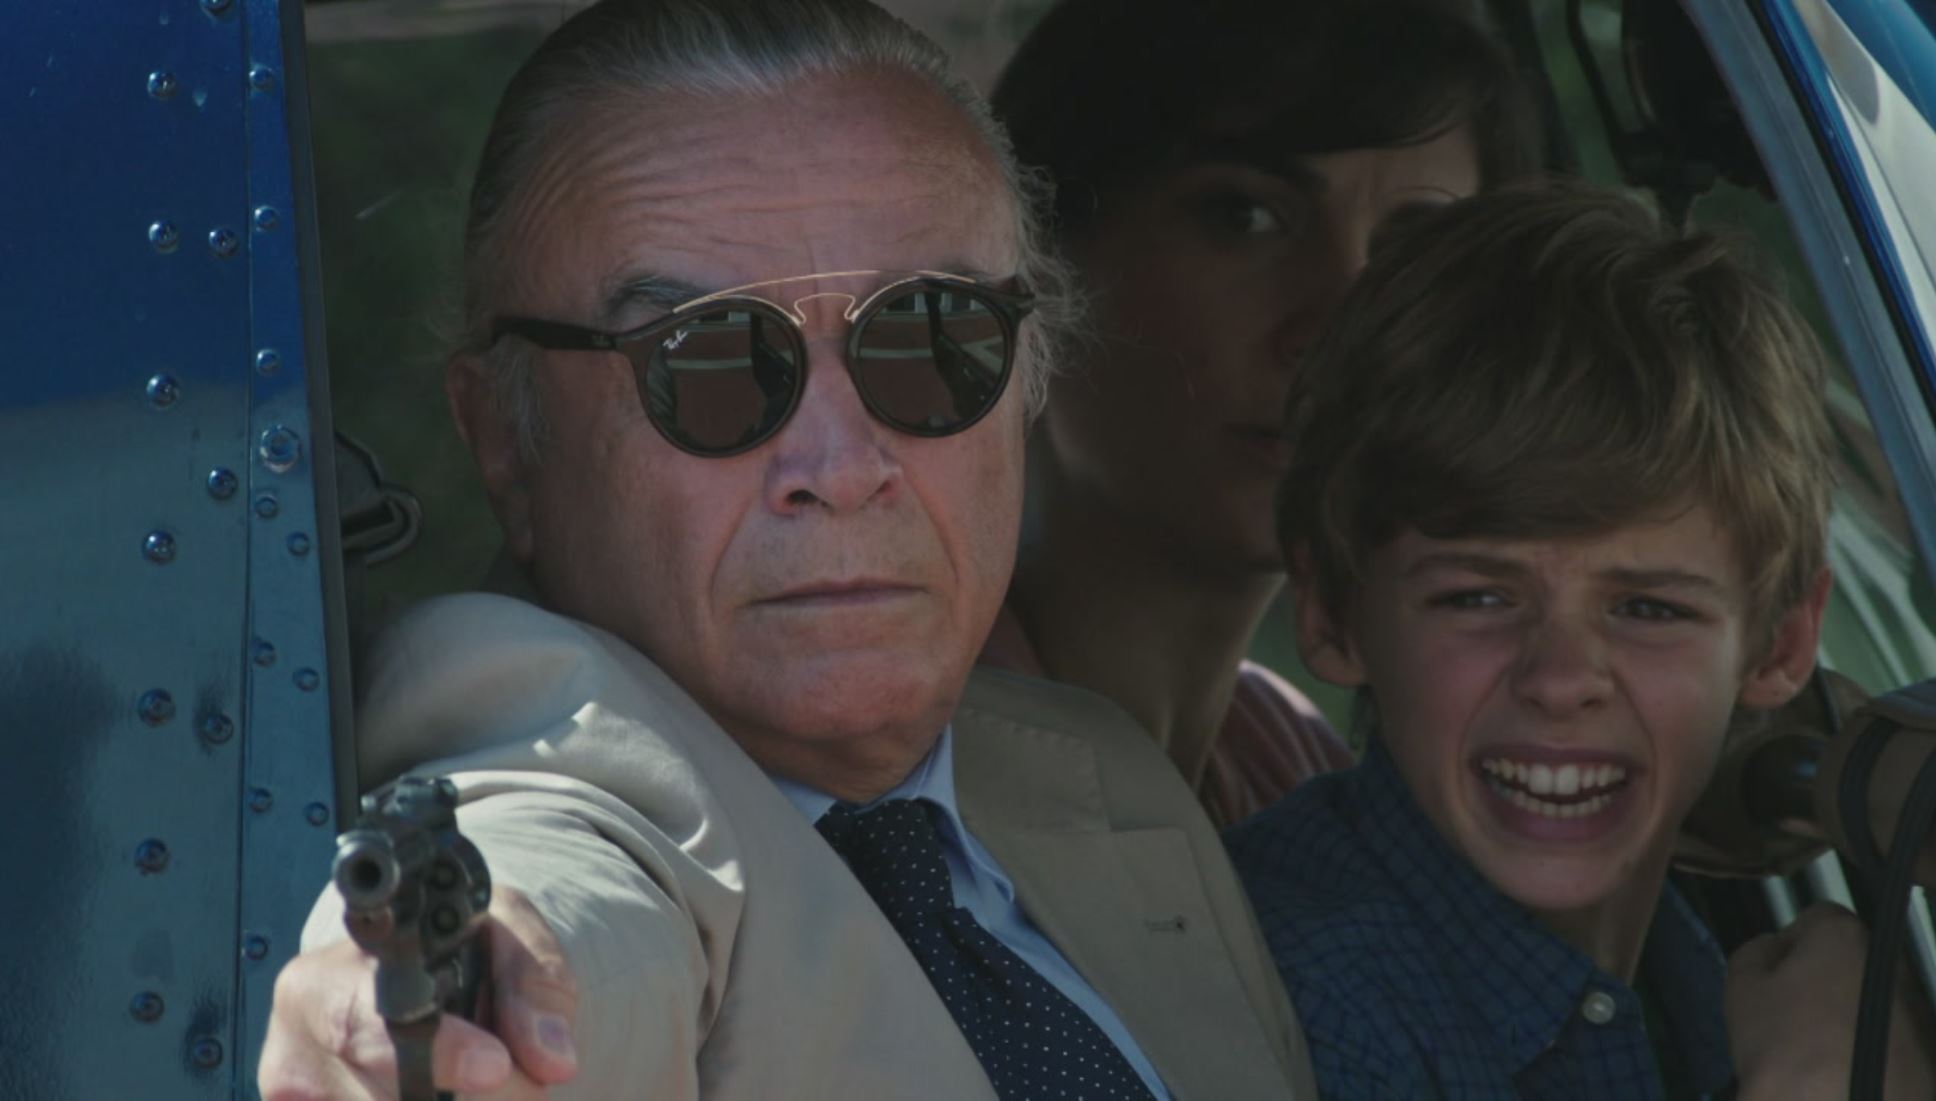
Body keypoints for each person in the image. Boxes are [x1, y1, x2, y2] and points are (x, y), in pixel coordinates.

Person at [256, 2, 1311, 1099]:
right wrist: (469, 1003)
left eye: (932, 340)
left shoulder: (1105, 777)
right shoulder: (525, 754)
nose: (844, 465)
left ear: (1026, 383)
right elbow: (557, 882)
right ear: (505, 441)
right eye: (711, 361)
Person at [1226, 182, 1936, 1098]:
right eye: (1478, 596)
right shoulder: (1291, 1010)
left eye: (1648, 610)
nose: (1561, 679)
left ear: (1780, 643)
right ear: (1330, 611)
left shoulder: (1682, 969)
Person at [982, 0, 1542, 826]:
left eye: (1415, 254)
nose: (1342, 327)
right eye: (1245, 217)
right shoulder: (907, 782)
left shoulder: (1288, 757)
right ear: (1034, 258)